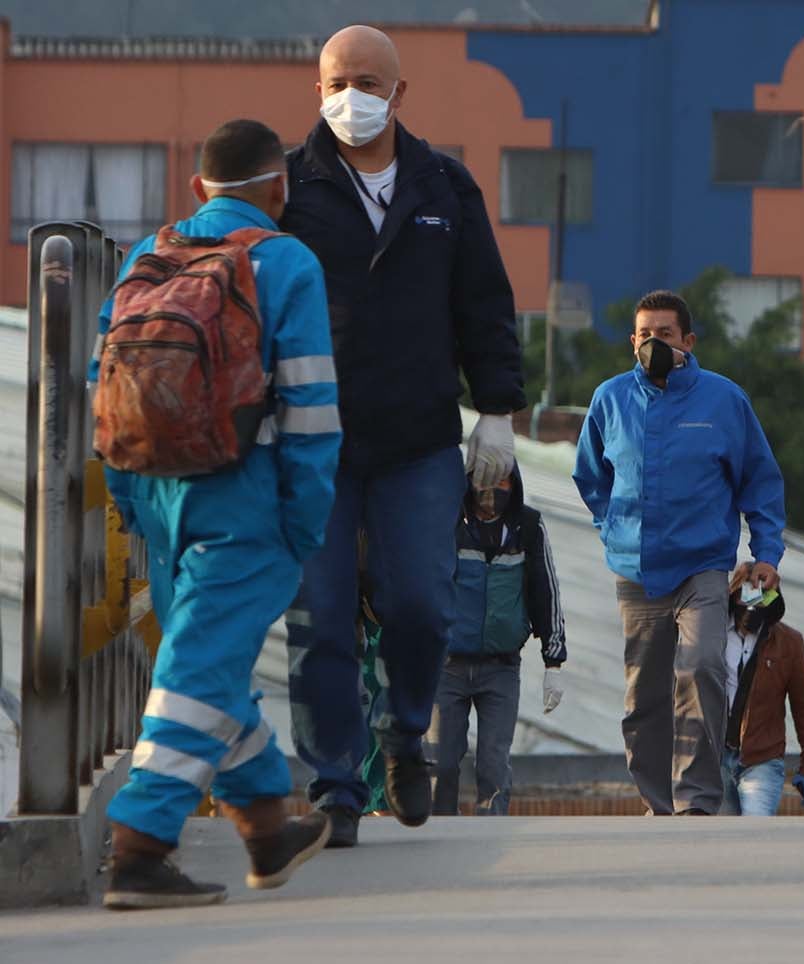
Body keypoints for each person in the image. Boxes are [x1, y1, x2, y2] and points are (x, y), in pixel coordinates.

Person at [281, 24, 525, 846]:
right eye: (337, 80)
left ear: (399, 92)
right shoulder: (288, 190)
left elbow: (485, 305)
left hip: (419, 440)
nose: (352, 95)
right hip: (314, 441)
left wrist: (498, 410)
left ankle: (403, 735)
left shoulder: (444, 188)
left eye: (368, 81)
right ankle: (335, 788)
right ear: (317, 91)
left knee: (421, 607)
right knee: (320, 617)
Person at [96, 119, 341, 908]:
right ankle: (140, 845)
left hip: (162, 499)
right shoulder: (288, 262)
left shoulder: (147, 258)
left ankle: (268, 826)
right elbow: (308, 405)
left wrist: (134, 503)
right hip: (249, 499)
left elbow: (108, 398)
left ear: (199, 188)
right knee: (199, 669)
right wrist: (304, 518)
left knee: (211, 660)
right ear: (280, 189)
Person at [573, 289, 786, 816]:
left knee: (703, 666)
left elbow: (760, 481)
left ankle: (696, 800)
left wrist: (766, 552)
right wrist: (612, 528)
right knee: (644, 696)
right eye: (644, 335)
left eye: (664, 334)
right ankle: (657, 802)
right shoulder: (610, 399)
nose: (653, 343)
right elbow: (590, 476)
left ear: (688, 340)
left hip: (703, 567)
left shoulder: (724, 401)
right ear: (631, 342)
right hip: (637, 571)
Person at [428, 463, 567, 816]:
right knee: (440, 763)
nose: (494, 488)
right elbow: (425, 588)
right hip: (447, 667)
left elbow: (545, 591)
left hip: (501, 669)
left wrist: (554, 661)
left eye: (503, 479)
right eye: (485, 479)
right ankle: (438, 838)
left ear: (515, 482)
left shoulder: (528, 527)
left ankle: (489, 834)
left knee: (493, 765)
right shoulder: (446, 524)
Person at [719, 565, 804, 816]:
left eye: (764, 594)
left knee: (756, 833)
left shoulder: (789, 643)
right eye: (748, 592)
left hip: (761, 759)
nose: (754, 603)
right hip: (714, 759)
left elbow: (803, 707)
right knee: (717, 838)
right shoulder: (712, 634)